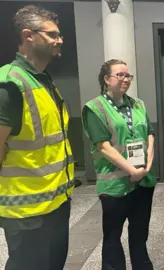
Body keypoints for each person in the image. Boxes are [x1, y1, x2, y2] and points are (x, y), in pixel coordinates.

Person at [0, 5, 74, 270]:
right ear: (28, 35)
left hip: (56, 204)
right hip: (26, 214)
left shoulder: (44, 81)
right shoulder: (9, 84)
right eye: (52, 34)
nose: (60, 40)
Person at [82, 59, 156, 270]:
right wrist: (132, 170)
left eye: (128, 75)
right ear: (106, 79)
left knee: (140, 235)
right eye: (120, 75)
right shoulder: (94, 108)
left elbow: (149, 134)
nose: (125, 79)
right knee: (113, 238)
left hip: (142, 181)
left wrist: (147, 166)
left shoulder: (138, 104)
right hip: (115, 186)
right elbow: (103, 146)